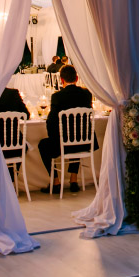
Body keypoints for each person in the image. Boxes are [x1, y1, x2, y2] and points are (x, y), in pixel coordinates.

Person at [38, 65, 92, 193]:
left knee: (43, 145)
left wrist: (54, 137)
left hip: (64, 144)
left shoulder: (57, 96)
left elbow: (51, 122)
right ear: (77, 78)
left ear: (61, 80)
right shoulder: (86, 94)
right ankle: (74, 180)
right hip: (84, 143)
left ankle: (56, 182)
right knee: (76, 136)